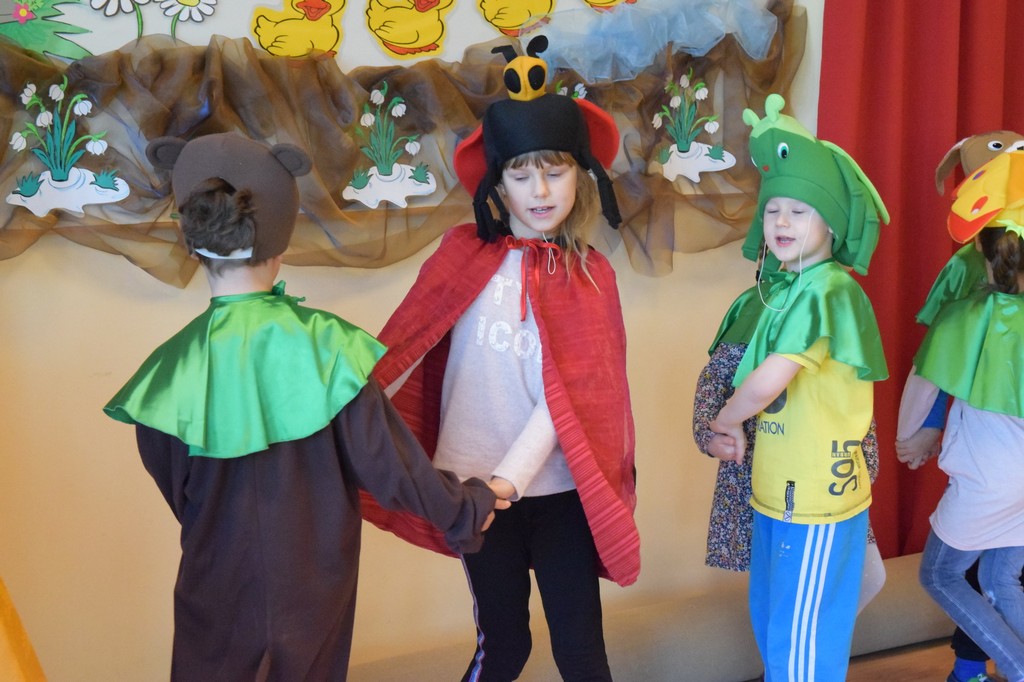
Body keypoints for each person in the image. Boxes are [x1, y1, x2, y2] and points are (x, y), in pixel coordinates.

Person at [103, 133, 504, 681]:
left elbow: (178, 488)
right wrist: (468, 506)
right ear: (281, 240)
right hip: (311, 586)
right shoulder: (328, 350)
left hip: (212, 577)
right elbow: (392, 467)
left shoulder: (168, 373)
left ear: (192, 243)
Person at [359, 37, 639, 681]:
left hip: (557, 492)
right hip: (470, 490)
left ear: (582, 175)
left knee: (581, 652)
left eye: (555, 171)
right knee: (503, 645)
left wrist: (506, 482)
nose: (540, 190)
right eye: (520, 174)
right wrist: (344, 414)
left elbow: (569, 399)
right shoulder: (462, 255)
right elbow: (399, 348)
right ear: (497, 182)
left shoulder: (590, 276)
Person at [708, 93, 889, 681]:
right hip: (779, 496)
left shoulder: (828, 289)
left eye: (799, 211)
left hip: (812, 502)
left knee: (801, 645)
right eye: (773, 210)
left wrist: (727, 418)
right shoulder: (790, 287)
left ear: (831, 222)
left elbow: (767, 381)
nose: (781, 223)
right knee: (775, 627)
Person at [897, 130, 1024, 682]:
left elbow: (925, 379)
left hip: (989, 478)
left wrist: (908, 435)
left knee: (940, 575)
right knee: (1000, 580)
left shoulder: (967, 316)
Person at [692, 278, 886, 614]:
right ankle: (794, 648)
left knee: (861, 577)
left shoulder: (834, 295)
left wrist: (865, 457)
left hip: (830, 472)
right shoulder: (757, 305)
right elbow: (715, 382)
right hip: (771, 474)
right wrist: (710, 435)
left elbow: (849, 392)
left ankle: (804, 645)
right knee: (788, 589)